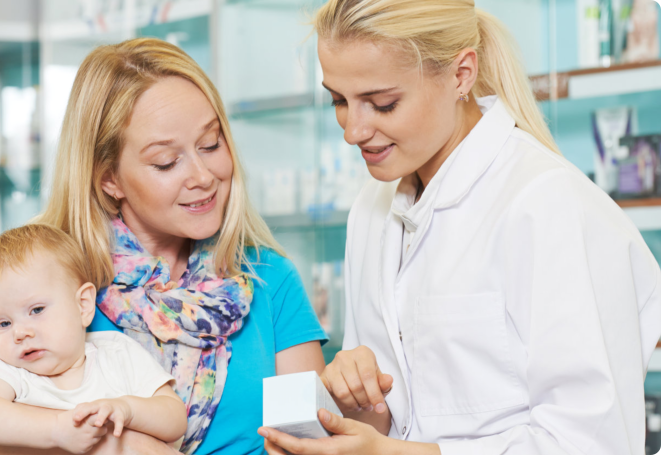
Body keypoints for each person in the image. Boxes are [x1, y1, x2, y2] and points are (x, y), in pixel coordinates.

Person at [257, 1, 661, 454]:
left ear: (461, 75)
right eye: (338, 100)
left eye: (383, 103)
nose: (353, 130)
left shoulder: (549, 205)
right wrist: (360, 401)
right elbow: (410, 413)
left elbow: (593, 442)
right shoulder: (371, 208)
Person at [0, 38, 329, 455]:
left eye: (210, 144)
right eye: (166, 161)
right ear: (109, 178)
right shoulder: (44, 276)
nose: (202, 175)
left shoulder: (268, 278)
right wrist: (120, 444)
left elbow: (309, 442)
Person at [0, 224, 187, 452]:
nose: (20, 333)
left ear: (83, 305)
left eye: (37, 310)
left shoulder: (117, 353)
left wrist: (127, 410)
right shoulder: (6, 369)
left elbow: (176, 420)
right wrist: (56, 430)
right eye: (3, 324)